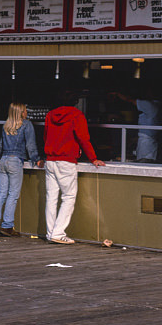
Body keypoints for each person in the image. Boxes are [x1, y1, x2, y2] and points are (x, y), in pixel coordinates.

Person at [44, 89, 105, 244]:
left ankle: (51, 232)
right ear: (75, 101)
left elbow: (46, 137)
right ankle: (58, 233)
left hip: (50, 160)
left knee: (51, 198)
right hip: (66, 161)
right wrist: (93, 158)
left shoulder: (50, 115)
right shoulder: (77, 115)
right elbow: (83, 138)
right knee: (68, 197)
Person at [0, 102, 42, 237]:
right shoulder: (26, 125)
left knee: (1, 193)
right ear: (20, 112)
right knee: (13, 195)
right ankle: (7, 226)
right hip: (15, 161)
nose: (26, 112)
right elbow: (30, 145)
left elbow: (0, 145)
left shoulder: (7, 124)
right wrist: (36, 159)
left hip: (4, 160)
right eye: (24, 110)